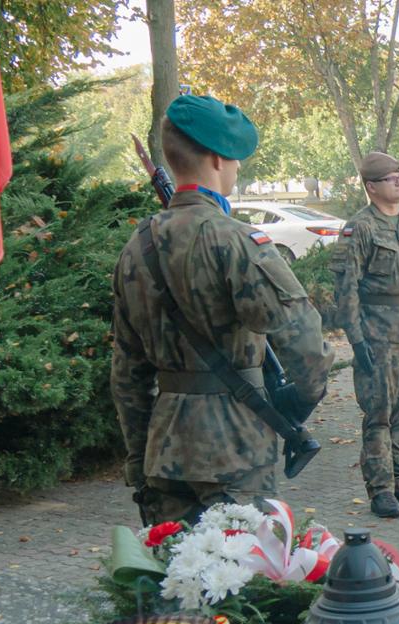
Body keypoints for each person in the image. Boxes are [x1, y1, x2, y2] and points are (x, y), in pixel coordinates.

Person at [110, 94, 328, 524]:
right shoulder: (237, 242)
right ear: (214, 159)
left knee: (176, 577)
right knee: (242, 579)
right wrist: (290, 407)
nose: (237, 167)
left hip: (165, 452)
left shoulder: (136, 248)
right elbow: (307, 346)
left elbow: (127, 375)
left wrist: (140, 458)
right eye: (233, 158)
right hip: (237, 449)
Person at [333, 152, 399, 518]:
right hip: (379, 335)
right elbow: (346, 287)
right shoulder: (359, 228)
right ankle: (381, 489)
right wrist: (356, 339)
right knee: (379, 414)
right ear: (371, 187)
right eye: (389, 177)